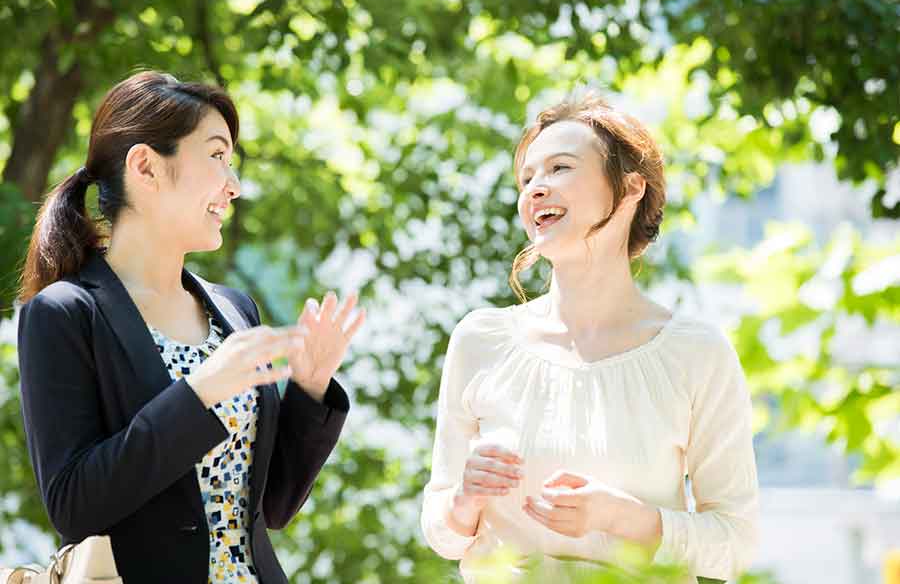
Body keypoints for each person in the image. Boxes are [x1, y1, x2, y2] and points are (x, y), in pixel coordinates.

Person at [17, 71, 365, 584]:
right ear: (146, 167)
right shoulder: (64, 312)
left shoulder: (235, 309)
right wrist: (198, 394)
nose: (235, 185)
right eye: (217, 156)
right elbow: (75, 505)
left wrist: (309, 389)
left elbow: (268, 509)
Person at [421, 92, 759, 583]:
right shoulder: (481, 339)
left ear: (630, 189)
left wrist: (623, 518)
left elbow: (735, 542)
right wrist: (464, 498)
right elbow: (443, 534)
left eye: (560, 168)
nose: (535, 189)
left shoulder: (696, 354)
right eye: (527, 178)